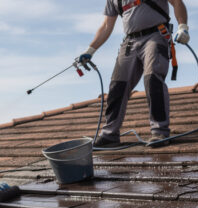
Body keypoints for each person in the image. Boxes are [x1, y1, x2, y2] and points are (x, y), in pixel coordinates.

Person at [78, 0, 189, 148]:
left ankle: (160, 131)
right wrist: (90, 50)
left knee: (152, 79)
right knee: (117, 86)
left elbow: (177, 2)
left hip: (155, 35)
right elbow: (106, 25)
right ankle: (109, 135)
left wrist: (183, 27)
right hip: (130, 41)